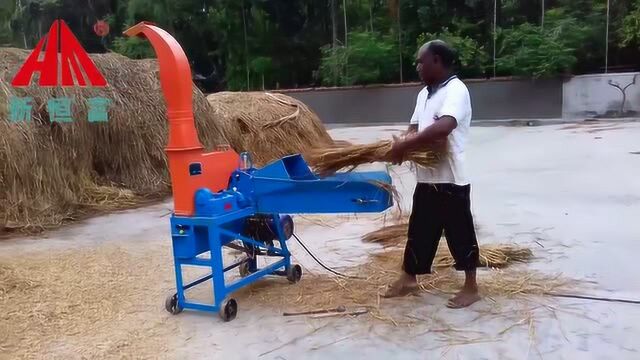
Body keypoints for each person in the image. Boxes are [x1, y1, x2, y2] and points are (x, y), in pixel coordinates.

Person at [384, 40, 480, 308]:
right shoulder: (425, 94)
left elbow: (444, 127)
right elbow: (415, 127)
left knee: (460, 232)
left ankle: (471, 287)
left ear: (436, 61)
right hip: (427, 177)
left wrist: (405, 145)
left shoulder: (456, 90)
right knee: (419, 230)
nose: (417, 66)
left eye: (420, 61)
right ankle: (409, 278)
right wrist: (404, 143)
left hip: (451, 178)